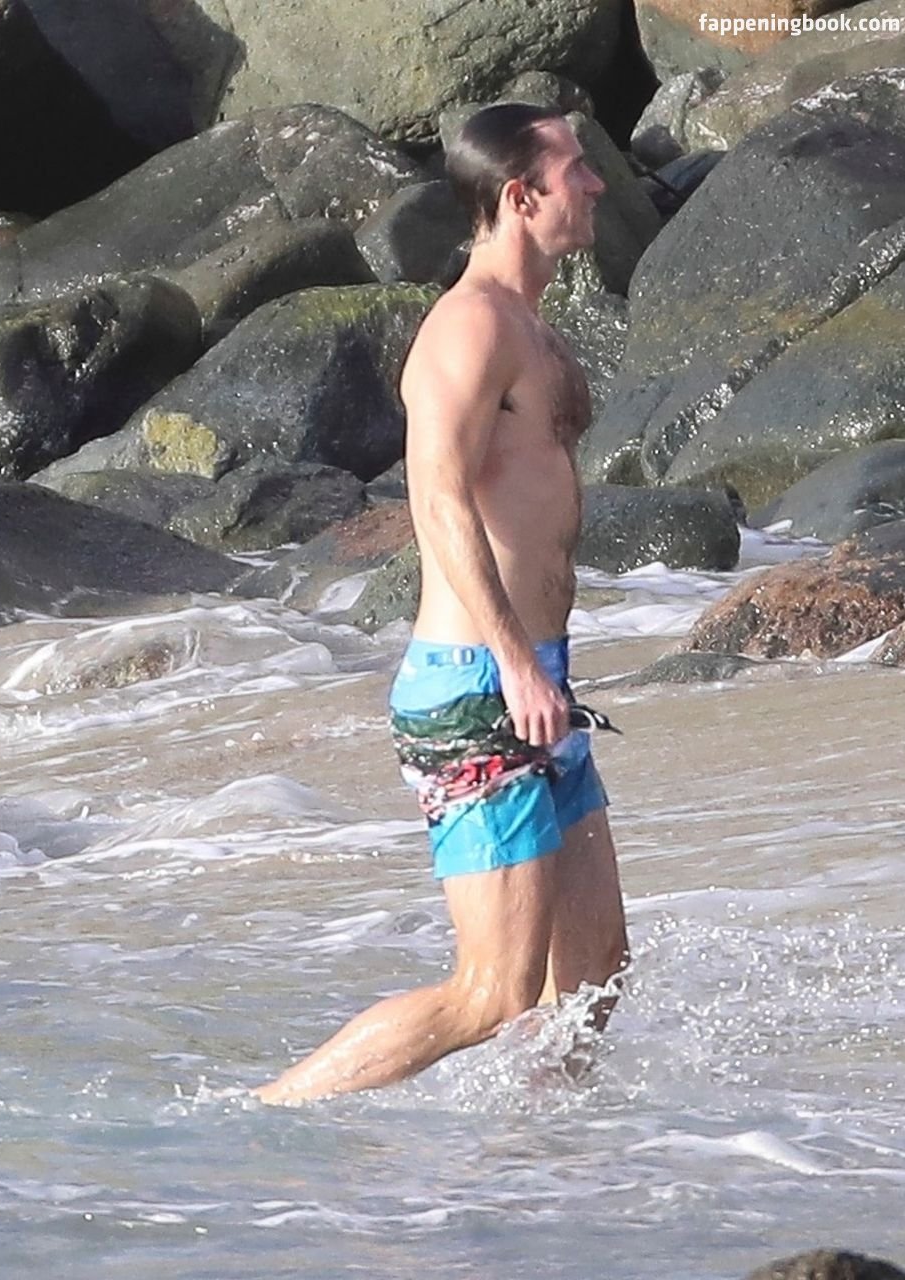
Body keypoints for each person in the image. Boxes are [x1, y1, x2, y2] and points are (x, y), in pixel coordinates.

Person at [254, 104, 628, 1104]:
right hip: (478, 684)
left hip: (534, 679)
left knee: (594, 974)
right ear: (521, 196)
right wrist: (512, 660)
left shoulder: (529, 323)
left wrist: (535, 667)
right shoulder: (470, 327)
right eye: (576, 170)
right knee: (491, 992)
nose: (596, 184)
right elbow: (436, 496)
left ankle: (544, 1161)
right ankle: (270, 1116)